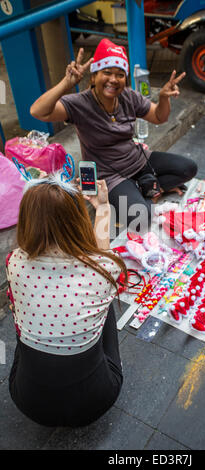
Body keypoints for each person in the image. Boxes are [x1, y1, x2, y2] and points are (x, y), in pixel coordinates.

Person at [30, 38, 198, 231]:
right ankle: (142, 192)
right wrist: (66, 83)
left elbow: (159, 117)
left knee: (188, 169)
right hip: (109, 175)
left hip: (138, 160)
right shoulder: (79, 103)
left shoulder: (128, 96)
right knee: (141, 219)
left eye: (119, 74)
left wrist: (163, 98)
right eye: (107, 72)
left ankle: (145, 189)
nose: (113, 79)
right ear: (93, 77)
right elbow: (38, 111)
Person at [6, 175, 127, 427]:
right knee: (104, 308)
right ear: (78, 220)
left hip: (27, 402)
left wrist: (38, 194)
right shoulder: (103, 271)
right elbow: (100, 254)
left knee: (20, 313)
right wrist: (103, 208)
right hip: (98, 400)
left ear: (26, 220)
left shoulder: (15, 263)